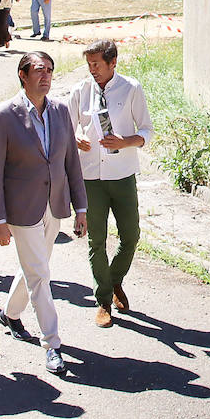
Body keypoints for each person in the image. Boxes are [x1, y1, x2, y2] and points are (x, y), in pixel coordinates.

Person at [0, 51, 87, 375]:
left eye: (50, 71)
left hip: (53, 206)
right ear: (23, 75)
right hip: (21, 210)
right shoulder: (3, 115)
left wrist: (80, 208)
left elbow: (71, 162)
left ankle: (10, 313)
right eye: (39, 71)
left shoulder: (59, 111)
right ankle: (52, 343)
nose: (46, 77)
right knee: (40, 274)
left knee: (34, 268)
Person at [69, 39, 154, 326]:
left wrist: (124, 141)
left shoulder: (131, 89)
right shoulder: (81, 91)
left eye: (97, 64)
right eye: (89, 64)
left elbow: (147, 131)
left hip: (122, 174)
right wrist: (74, 138)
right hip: (90, 176)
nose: (92, 70)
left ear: (112, 61)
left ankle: (114, 279)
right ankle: (104, 300)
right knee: (97, 241)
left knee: (130, 235)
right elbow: (64, 127)